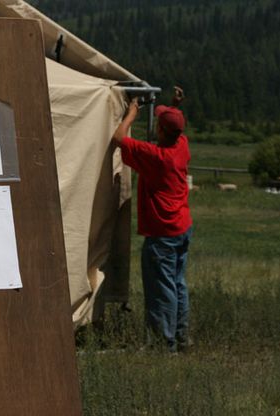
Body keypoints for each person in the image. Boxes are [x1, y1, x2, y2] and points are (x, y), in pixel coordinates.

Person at [111, 87, 192, 352]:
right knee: (177, 284)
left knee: (161, 289)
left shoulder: (157, 158)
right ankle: (181, 336)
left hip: (163, 234)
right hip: (181, 228)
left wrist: (132, 112)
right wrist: (175, 105)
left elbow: (119, 137)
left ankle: (161, 343)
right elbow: (174, 127)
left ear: (161, 131)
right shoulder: (181, 146)